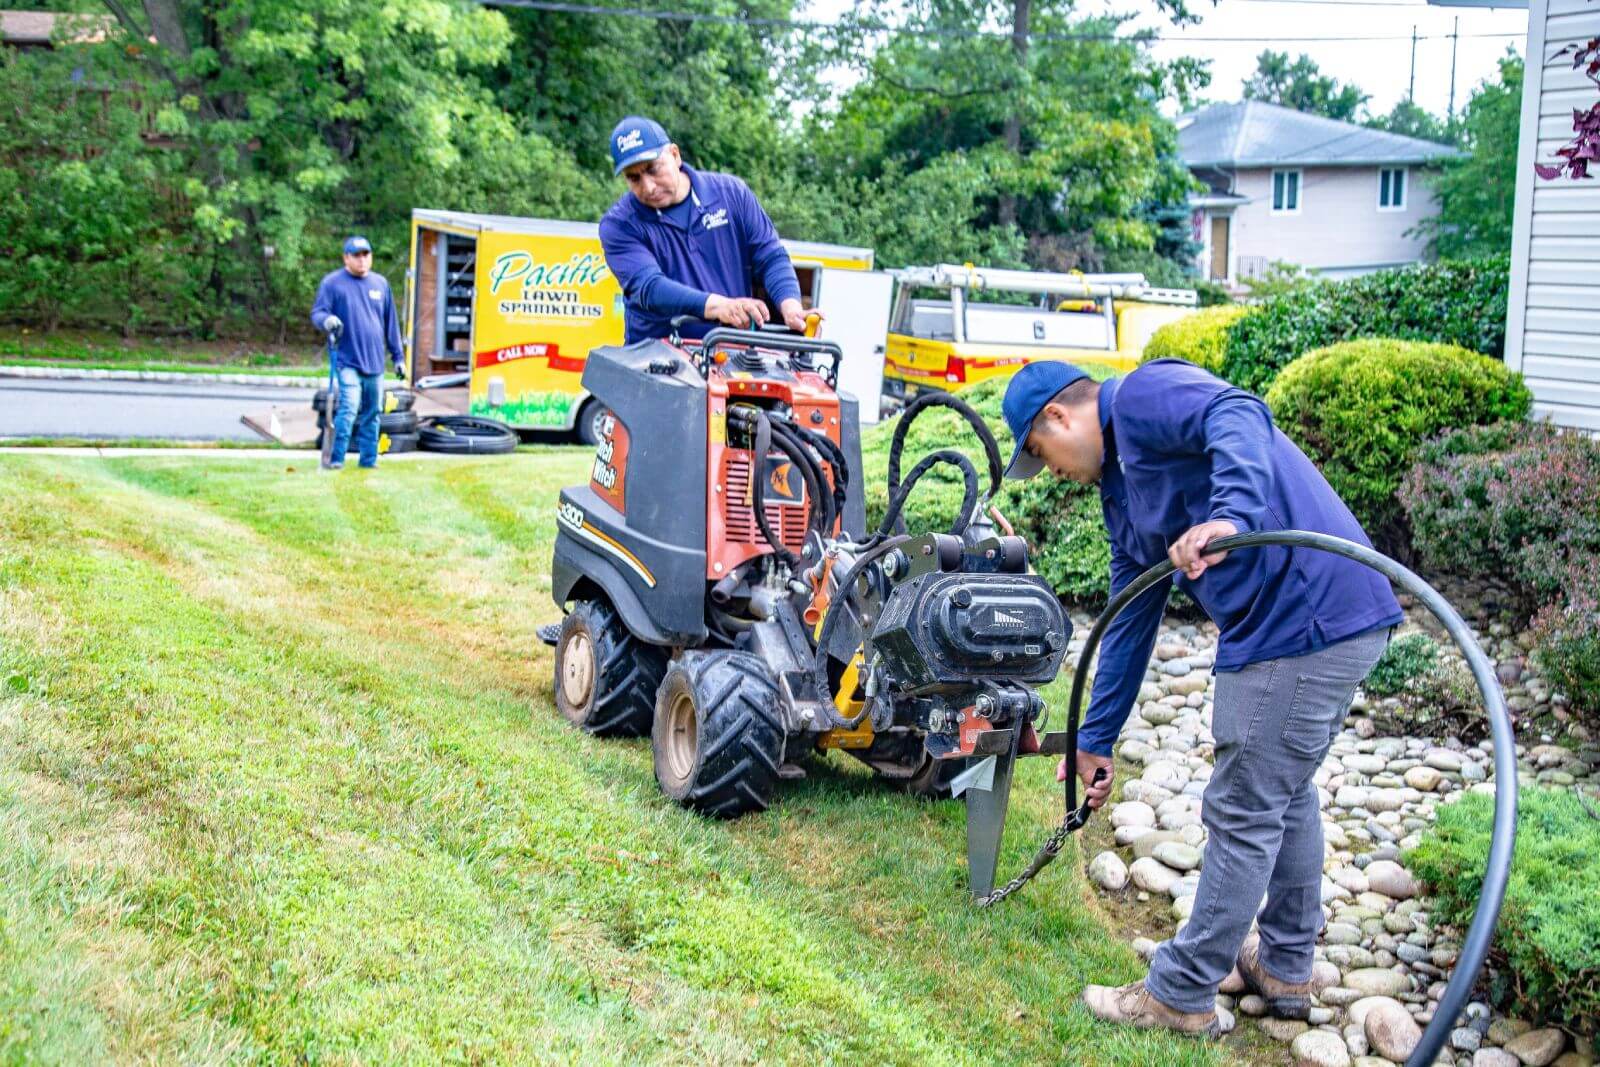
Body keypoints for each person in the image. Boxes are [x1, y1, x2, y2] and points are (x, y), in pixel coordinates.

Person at [999, 358, 1402, 1038]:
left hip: (1308, 617)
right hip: (1299, 624)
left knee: (1245, 804)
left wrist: (1230, 513)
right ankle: (1284, 965)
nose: (1056, 472)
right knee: (1283, 789)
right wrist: (1097, 740)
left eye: (1044, 455)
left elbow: (1239, 411)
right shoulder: (1122, 497)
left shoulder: (1145, 396)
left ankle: (1180, 991)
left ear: (1059, 417)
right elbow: (1130, 617)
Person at [597, 115, 818, 344]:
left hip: (730, 356)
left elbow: (770, 256)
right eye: (634, 178)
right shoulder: (619, 224)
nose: (649, 186)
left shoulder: (731, 193)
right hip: (655, 363)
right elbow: (650, 288)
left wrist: (791, 307)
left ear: (675, 155)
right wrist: (719, 306)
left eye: (653, 169)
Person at [310, 235, 404, 469]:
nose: (362, 260)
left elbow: (391, 324)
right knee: (350, 408)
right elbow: (318, 313)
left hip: (375, 363)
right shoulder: (333, 283)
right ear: (346, 258)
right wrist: (328, 320)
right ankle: (336, 459)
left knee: (372, 414)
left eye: (366, 255)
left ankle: (368, 461)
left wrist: (399, 358)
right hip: (347, 360)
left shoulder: (380, 284)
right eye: (356, 255)